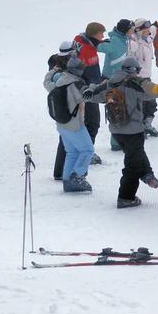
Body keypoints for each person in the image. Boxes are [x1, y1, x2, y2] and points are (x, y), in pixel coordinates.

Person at [85, 57, 158, 208]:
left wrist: (90, 89)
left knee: (134, 155)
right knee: (131, 165)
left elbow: (93, 96)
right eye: (138, 70)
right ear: (133, 70)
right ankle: (126, 197)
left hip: (116, 130)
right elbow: (155, 92)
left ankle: (147, 174)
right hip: (133, 130)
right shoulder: (136, 84)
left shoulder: (109, 83)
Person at [44, 56, 94, 193]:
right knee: (88, 150)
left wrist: (52, 71)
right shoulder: (76, 84)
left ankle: (68, 181)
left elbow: (46, 82)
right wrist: (98, 88)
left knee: (72, 152)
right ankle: (77, 176)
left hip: (61, 125)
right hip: (75, 125)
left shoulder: (59, 82)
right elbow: (87, 93)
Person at [98, 19, 135, 151]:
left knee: (124, 110)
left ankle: (121, 140)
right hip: (111, 81)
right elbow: (98, 46)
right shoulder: (115, 41)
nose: (133, 30)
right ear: (125, 30)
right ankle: (116, 143)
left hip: (121, 79)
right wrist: (88, 40)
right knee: (116, 111)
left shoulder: (124, 39)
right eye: (131, 28)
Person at [73, 22, 106, 165]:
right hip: (87, 91)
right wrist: (95, 87)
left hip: (78, 89)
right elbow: (90, 72)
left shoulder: (79, 42)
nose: (103, 36)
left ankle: (83, 150)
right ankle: (87, 151)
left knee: (84, 122)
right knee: (92, 122)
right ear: (93, 34)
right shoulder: (88, 50)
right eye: (101, 34)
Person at [48, 41, 77, 180]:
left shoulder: (55, 64)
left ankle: (60, 171)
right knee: (67, 140)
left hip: (59, 107)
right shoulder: (63, 67)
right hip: (67, 107)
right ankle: (62, 172)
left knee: (65, 139)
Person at [128, 18, 158, 137]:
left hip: (147, 77)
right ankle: (139, 127)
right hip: (137, 79)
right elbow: (130, 50)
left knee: (151, 102)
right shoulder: (134, 42)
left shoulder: (148, 38)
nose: (149, 31)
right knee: (139, 104)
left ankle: (147, 124)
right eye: (146, 29)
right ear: (139, 30)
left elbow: (155, 27)